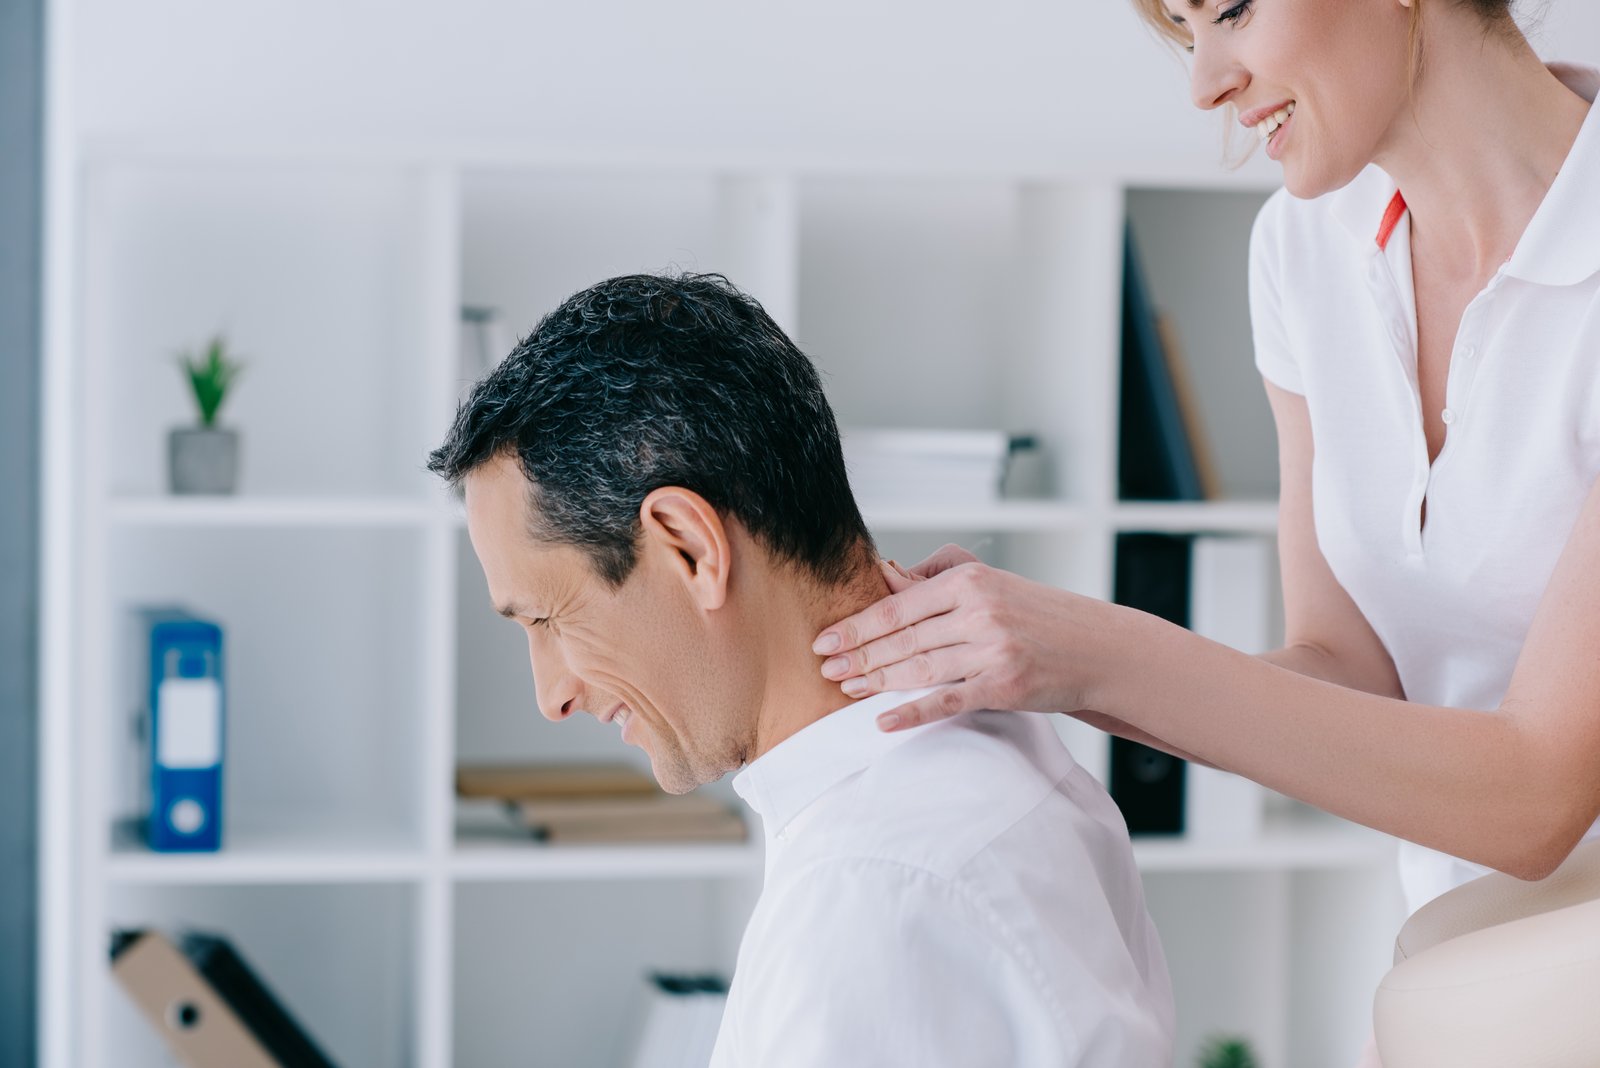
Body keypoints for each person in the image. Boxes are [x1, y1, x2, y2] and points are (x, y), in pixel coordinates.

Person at [813, 1, 1600, 1061]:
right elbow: (1348, 670)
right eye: (1184, 33)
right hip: (1472, 984)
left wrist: (1100, 653)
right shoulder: (1303, 251)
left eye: (1230, 9)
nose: (1205, 83)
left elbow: (1535, 797)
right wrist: (1045, 676)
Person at [429, 273, 1174, 1066]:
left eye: (546, 619)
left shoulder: (866, 897)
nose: (553, 695)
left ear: (688, 546)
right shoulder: (1001, 756)